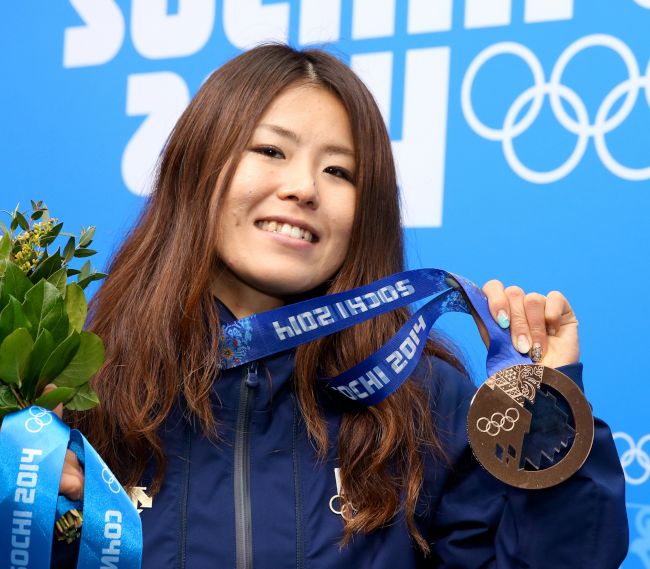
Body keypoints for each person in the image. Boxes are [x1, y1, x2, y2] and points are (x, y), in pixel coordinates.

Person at [53, 43, 628, 568]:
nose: (304, 188)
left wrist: (550, 417)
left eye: (338, 171)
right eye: (271, 150)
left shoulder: (424, 402)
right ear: (197, 168)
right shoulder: (79, 391)